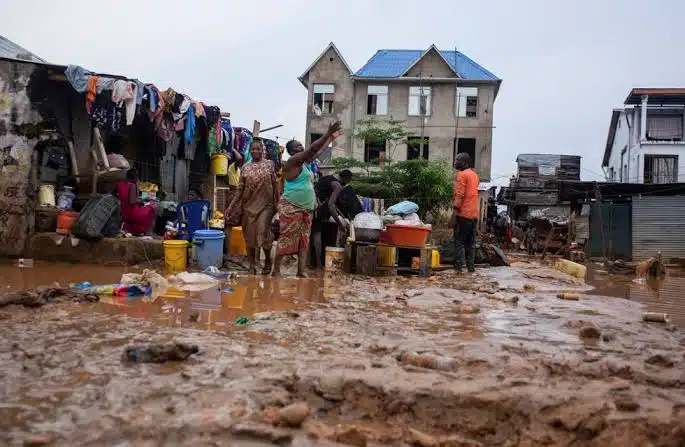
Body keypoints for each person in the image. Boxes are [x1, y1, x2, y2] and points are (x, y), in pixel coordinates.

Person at [272, 121, 343, 277]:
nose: (301, 148)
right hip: (291, 206)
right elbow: (312, 149)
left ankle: (301, 271)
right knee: (286, 239)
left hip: (306, 208)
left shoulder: (304, 165)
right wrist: (326, 133)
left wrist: (331, 138)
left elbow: (318, 151)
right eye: (297, 147)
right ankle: (275, 270)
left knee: (304, 240)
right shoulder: (292, 163)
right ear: (291, 151)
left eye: (300, 146)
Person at [225, 139, 279, 274]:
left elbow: (275, 185)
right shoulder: (245, 167)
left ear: (263, 150)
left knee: (262, 232)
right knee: (249, 237)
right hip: (248, 206)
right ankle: (252, 265)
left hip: (267, 205)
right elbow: (240, 190)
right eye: (253, 149)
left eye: (258, 149)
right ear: (250, 150)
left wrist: (278, 205)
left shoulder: (269, 165)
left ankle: (267, 260)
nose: (256, 151)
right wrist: (230, 208)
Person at [311, 169, 362, 267]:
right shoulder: (338, 186)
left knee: (315, 234)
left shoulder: (327, 178)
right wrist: (339, 223)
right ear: (346, 179)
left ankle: (314, 263)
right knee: (317, 236)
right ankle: (319, 264)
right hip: (318, 210)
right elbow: (331, 205)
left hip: (312, 205)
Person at [451, 153, 480, 272]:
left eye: (457, 160)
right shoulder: (474, 175)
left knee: (458, 241)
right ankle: (471, 268)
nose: (455, 162)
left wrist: (454, 213)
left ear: (465, 163)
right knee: (471, 243)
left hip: (463, 214)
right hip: (474, 215)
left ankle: (458, 269)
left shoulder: (462, 175)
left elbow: (460, 195)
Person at [115, 168, 156, 235]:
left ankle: (130, 228)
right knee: (152, 207)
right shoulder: (133, 186)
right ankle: (149, 232)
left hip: (123, 212)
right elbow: (133, 201)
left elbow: (123, 197)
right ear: (136, 177)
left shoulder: (120, 185)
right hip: (131, 213)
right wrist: (144, 202)